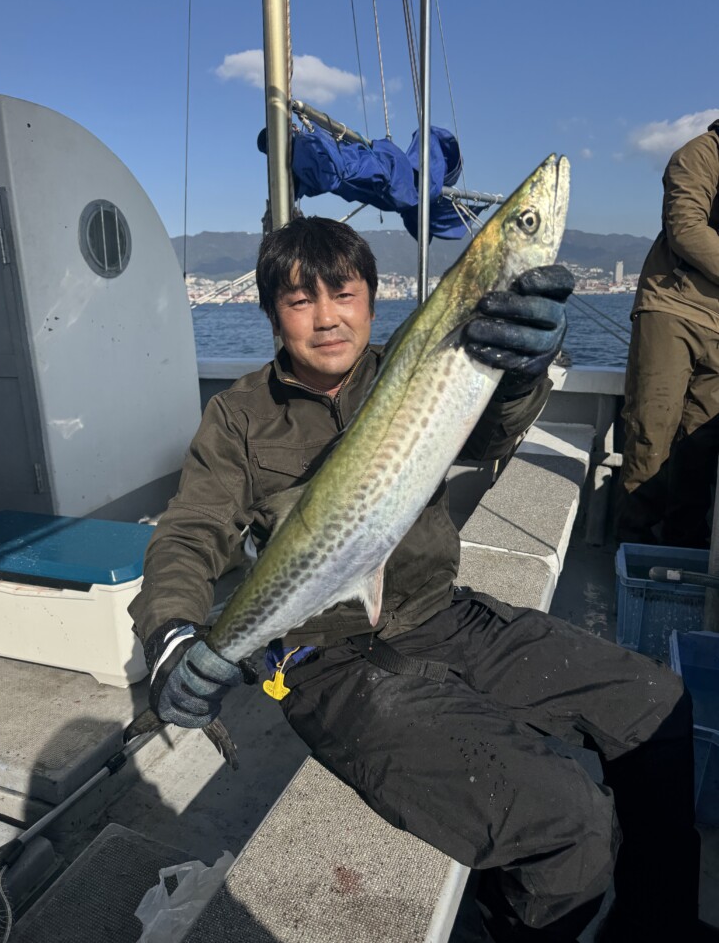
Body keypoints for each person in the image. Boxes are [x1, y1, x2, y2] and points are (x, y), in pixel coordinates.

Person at [130, 217, 710, 942]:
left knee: (655, 703)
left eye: (343, 293)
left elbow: (492, 434)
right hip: (322, 662)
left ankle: (660, 927)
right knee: (568, 821)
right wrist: (172, 633)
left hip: (443, 615)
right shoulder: (240, 416)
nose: (327, 316)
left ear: (374, 299)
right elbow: (190, 532)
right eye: (299, 300)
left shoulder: (421, 362)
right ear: (272, 314)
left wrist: (525, 370)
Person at [617, 118, 719, 548]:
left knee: (702, 446)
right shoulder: (699, 154)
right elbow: (686, 230)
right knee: (650, 433)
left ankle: (685, 557)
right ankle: (634, 548)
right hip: (671, 306)